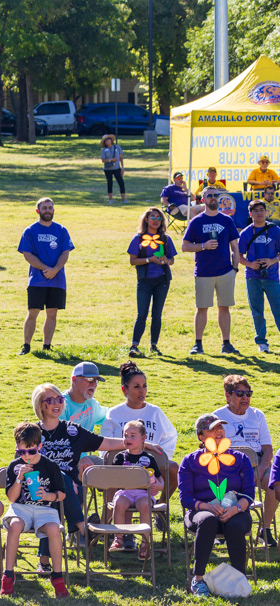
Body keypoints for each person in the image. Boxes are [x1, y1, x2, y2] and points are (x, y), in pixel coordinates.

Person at [32, 382, 153, 562]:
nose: (56, 403)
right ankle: (82, 528)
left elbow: (107, 443)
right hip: (40, 488)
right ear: (41, 405)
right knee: (58, 486)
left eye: (59, 399)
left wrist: (142, 444)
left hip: (72, 491)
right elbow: (24, 462)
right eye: (50, 400)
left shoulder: (72, 430)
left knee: (56, 498)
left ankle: (44, 561)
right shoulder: (33, 432)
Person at [180, 413, 255, 597]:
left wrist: (236, 509)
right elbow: (186, 498)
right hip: (201, 512)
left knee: (235, 524)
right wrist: (208, 507)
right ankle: (198, 580)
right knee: (208, 520)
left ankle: (239, 579)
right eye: (212, 429)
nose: (218, 431)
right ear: (201, 436)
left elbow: (249, 494)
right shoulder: (190, 461)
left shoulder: (240, 458)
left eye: (220, 427)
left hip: (236, 510)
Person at [0, 422, 69, 598]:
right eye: (21, 452)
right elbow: (12, 499)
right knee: (14, 525)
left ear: (39, 446)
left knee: (54, 529)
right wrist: (19, 478)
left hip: (45, 509)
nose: (26, 456)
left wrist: (47, 495)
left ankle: (57, 577)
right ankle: (8, 575)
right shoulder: (14, 466)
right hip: (21, 508)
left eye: (31, 451)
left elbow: (62, 494)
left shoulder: (50, 466)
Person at [213, 374, 276, 547]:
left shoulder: (257, 415)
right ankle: (221, 526)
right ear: (227, 396)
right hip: (230, 467)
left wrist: (260, 471)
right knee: (218, 480)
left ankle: (265, 529)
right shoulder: (217, 416)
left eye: (248, 394)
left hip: (257, 465)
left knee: (275, 483)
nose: (245, 398)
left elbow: (267, 449)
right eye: (240, 394)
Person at [101, 362, 179, 488]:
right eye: (137, 387)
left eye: (144, 386)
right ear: (124, 390)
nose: (142, 391)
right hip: (122, 465)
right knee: (111, 474)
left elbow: (170, 435)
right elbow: (105, 446)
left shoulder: (155, 412)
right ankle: (114, 501)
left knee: (173, 467)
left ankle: (158, 500)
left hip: (150, 464)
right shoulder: (114, 413)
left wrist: (159, 458)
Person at [182, 186, 240, 355]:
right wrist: (203, 246)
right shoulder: (196, 221)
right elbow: (185, 246)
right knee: (202, 308)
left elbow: (235, 247)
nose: (213, 198)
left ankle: (226, 344)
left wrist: (235, 269)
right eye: (209, 196)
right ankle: (198, 344)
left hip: (225, 271)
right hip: (204, 271)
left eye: (215, 195)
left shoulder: (227, 220)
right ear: (203, 200)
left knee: (224, 308)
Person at [17, 197, 74, 355]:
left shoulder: (61, 230)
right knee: (33, 312)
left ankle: (46, 346)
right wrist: (46, 269)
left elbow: (65, 253)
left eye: (50, 208)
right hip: (37, 280)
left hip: (57, 280)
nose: (47, 210)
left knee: (52, 313)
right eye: (44, 208)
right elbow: (27, 254)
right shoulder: (30, 231)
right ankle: (26, 346)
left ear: (53, 210)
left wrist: (55, 270)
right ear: (38, 211)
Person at [109, 419, 164, 558]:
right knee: (119, 503)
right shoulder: (120, 457)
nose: (128, 439)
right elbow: (113, 477)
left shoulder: (149, 458)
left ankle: (145, 542)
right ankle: (118, 539)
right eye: (125, 435)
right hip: (125, 492)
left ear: (143, 438)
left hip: (143, 493)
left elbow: (159, 478)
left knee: (145, 505)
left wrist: (160, 486)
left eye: (132, 436)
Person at [128, 206, 177, 356]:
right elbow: (133, 261)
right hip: (145, 281)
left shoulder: (165, 239)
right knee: (142, 314)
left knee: (157, 314)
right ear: (146, 220)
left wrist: (166, 260)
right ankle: (134, 345)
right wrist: (150, 259)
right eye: (153, 217)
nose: (156, 220)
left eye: (159, 218)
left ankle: (153, 346)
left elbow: (172, 260)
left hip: (162, 281)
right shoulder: (138, 238)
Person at [239, 201, 280, 352]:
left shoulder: (275, 230)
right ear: (250, 214)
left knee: (278, 309)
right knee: (257, 311)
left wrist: (272, 261)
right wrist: (250, 264)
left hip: (272, 276)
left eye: (262, 210)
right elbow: (237, 256)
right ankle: (262, 343)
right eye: (255, 211)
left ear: (266, 212)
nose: (259, 213)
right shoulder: (245, 233)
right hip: (252, 277)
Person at [61, 361, 110, 439]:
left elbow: (111, 414)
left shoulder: (92, 404)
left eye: (96, 381)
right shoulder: (59, 405)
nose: (94, 384)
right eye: (90, 379)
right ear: (74, 380)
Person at [100, 134, 126, 204]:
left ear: (111, 140)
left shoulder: (117, 147)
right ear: (104, 142)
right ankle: (111, 199)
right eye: (106, 140)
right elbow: (103, 160)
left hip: (117, 168)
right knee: (109, 183)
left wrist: (122, 168)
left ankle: (123, 199)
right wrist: (111, 160)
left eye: (108, 139)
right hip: (108, 169)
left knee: (121, 182)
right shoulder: (104, 149)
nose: (108, 141)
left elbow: (121, 158)